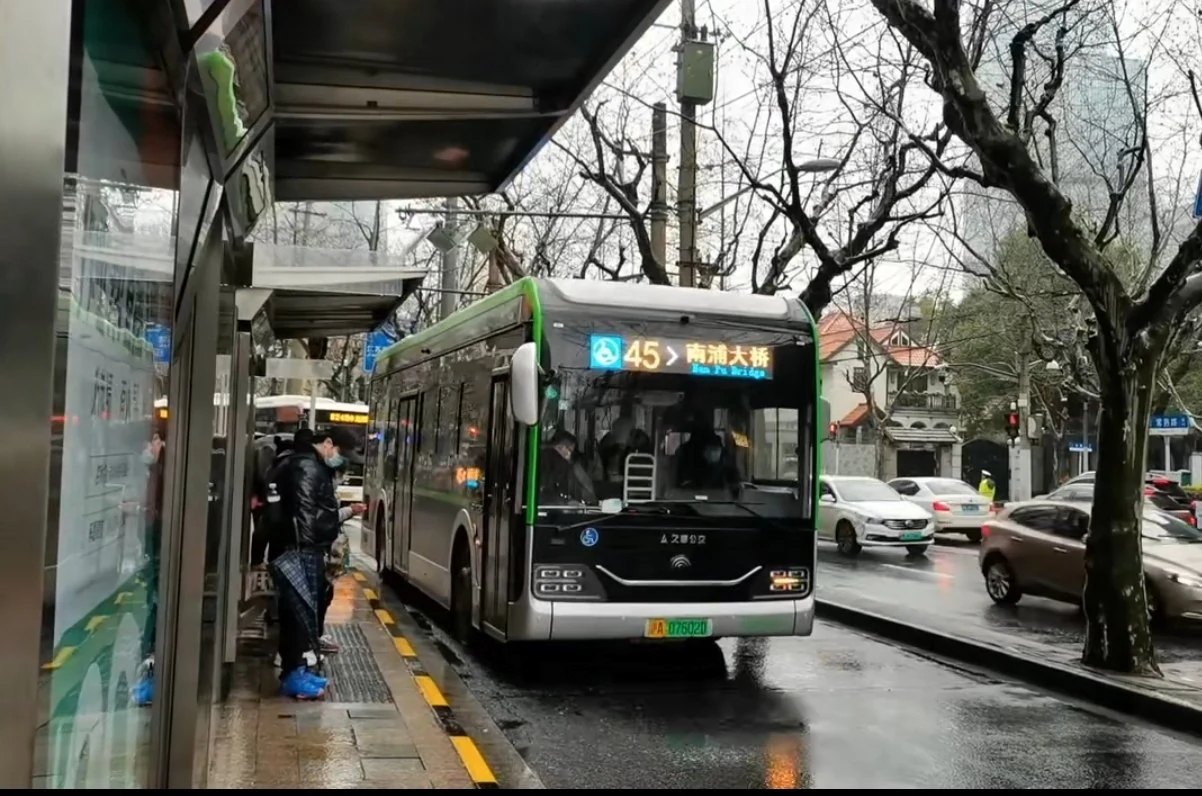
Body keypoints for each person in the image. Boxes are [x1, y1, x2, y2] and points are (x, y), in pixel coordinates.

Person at [270, 426, 362, 699]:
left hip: (303, 550)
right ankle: (294, 673)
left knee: (299, 613)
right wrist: (313, 545)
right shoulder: (308, 468)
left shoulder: (310, 465)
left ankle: (297, 669)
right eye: (341, 454)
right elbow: (306, 513)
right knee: (298, 614)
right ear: (329, 443)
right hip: (301, 551)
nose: (342, 462)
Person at [133, 422, 167, 707]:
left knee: (157, 605)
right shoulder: (152, 473)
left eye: (154, 441)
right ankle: (150, 669)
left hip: (157, 549)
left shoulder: (162, 474)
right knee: (154, 605)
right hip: (152, 549)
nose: (152, 447)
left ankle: (153, 668)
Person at [539, 430, 596, 504]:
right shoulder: (551, 460)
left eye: (571, 451)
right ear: (560, 447)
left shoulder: (571, 464)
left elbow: (587, 491)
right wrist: (566, 502)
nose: (569, 455)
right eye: (569, 450)